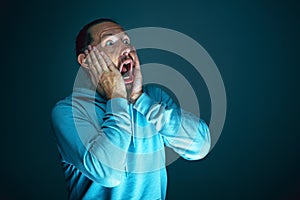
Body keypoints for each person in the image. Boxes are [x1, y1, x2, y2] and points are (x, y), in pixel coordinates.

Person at [51, 18, 211, 200]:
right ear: (86, 61)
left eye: (126, 41)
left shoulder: (153, 98)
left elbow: (200, 146)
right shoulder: (68, 111)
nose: (126, 48)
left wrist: (139, 99)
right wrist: (116, 97)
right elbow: (108, 174)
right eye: (110, 42)